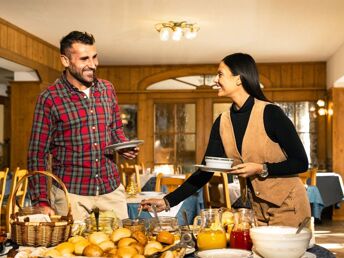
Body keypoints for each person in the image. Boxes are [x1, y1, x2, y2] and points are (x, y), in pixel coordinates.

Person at [141, 53, 310, 227]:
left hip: (289, 206)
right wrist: (167, 201)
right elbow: (204, 172)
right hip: (255, 210)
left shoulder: (271, 113)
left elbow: (301, 162)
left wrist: (261, 168)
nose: (215, 79)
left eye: (220, 74)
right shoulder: (222, 121)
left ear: (238, 79)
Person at [27, 31, 138, 220]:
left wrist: (122, 146)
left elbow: (115, 129)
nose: (93, 65)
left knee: (121, 246)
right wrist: (41, 201)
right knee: (73, 249)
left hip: (110, 189)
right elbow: (37, 153)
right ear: (65, 60)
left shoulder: (107, 89)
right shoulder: (50, 99)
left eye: (95, 57)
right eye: (84, 59)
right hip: (71, 194)